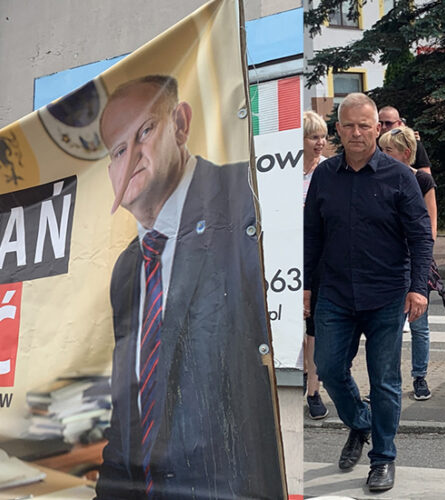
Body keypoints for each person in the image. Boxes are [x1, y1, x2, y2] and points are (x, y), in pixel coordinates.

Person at [95, 75, 284, 498]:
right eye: (118, 150)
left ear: (180, 124)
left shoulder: (244, 198)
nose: (132, 156)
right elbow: (126, 415)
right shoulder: (128, 267)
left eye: (145, 131)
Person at [304, 92, 433, 493]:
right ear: (337, 130)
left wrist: (418, 288)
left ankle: (383, 458)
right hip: (335, 293)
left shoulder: (400, 177)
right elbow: (312, 235)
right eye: (349, 126)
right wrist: (305, 285)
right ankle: (361, 424)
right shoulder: (325, 176)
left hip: (386, 294)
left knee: (385, 381)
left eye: (364, 125)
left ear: (378, 129)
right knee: (327, 368)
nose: (356, 133)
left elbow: (420, 236)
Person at [379, 125, 437, 401]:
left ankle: (419, 376)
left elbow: (431, 227)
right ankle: (385, 382)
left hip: (414, 262)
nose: (382, 155)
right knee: (388, 328)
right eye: (381, 150)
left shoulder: (422, 181)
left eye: (388, 150)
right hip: (386, 264)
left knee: (418, 325)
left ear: (406, 152)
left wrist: (421, 263)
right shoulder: (377, 178)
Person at [303, 110, 329, 420]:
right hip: (286, 253)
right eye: (313, 137)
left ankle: (313, 389)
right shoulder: (284, 169)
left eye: (323, 136)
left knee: (314, 326)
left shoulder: (327, 170)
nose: (320, 142)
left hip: (318, 257)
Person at [377, 106, 432, 173]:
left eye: (388, 123)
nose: (384, 127)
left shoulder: (412, 143)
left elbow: (426, 174)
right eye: (381, 123)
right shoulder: (373, 145)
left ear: (399, 123)